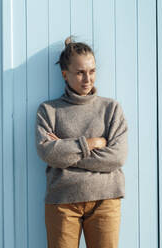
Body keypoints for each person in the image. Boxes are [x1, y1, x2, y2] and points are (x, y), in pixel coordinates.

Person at [35, 36, 129, 248]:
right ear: (64, 74)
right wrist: (92, 142)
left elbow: (117, 157)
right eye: (80, 72)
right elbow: (47, 153)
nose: (88, 79)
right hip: (62, 202)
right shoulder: (48, 111)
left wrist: (66, 153)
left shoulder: (111, 109)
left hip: (106, 200)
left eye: (92, 71)